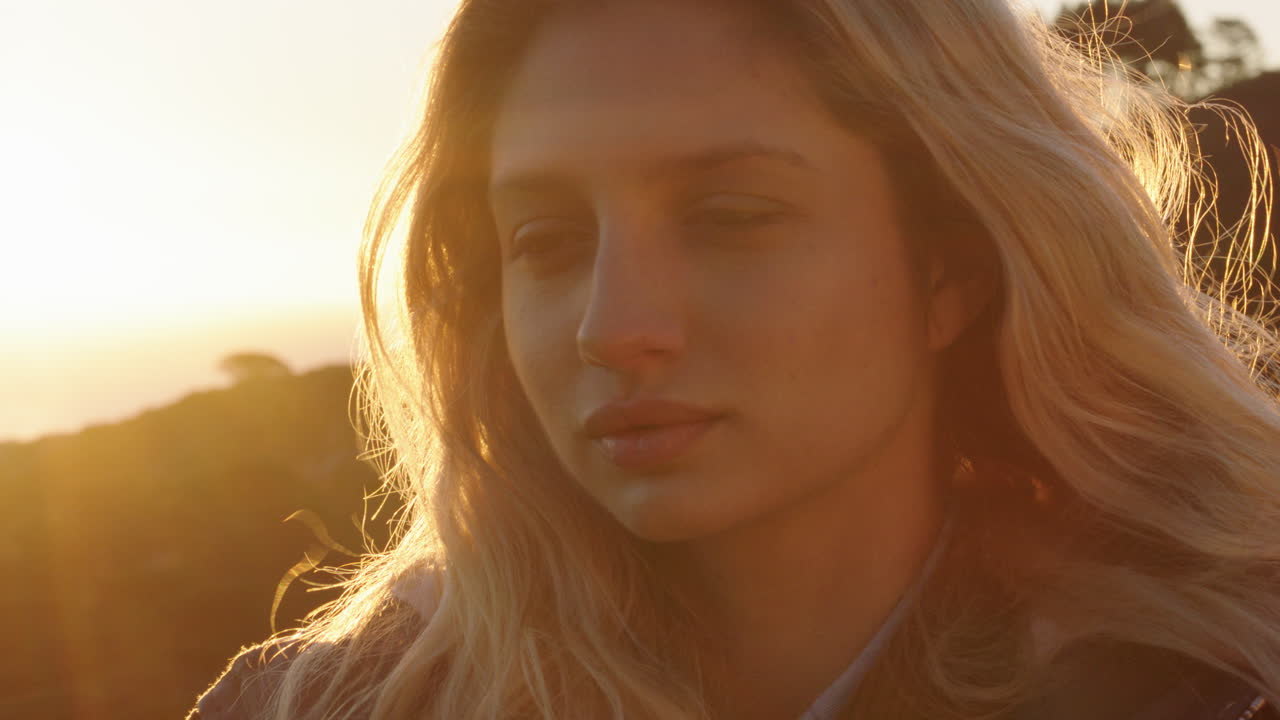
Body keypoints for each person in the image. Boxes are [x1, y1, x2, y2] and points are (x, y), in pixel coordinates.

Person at [189, 0, 1280, 718]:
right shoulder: (326, 706)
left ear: (947, 271)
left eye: (729, 215)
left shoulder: (1211, 684)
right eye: (547, 242)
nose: (610, 326)